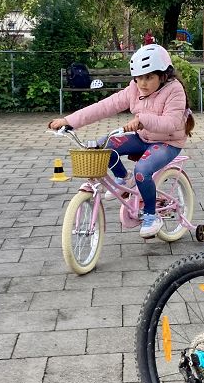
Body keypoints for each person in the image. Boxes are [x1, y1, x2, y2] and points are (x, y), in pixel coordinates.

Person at [48, 44, 195, 238]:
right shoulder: (134, 89)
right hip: (144, 137)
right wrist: (69, 121)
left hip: (168, 142)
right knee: (103, 145)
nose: (142, 83)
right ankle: (123, 177)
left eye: (149, 77)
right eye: (138, 77)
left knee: (142, 170)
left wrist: (142, 120)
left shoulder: (174, 90)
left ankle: (151, 215)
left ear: (163, 75)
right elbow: (104, 106)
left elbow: (172, 123)